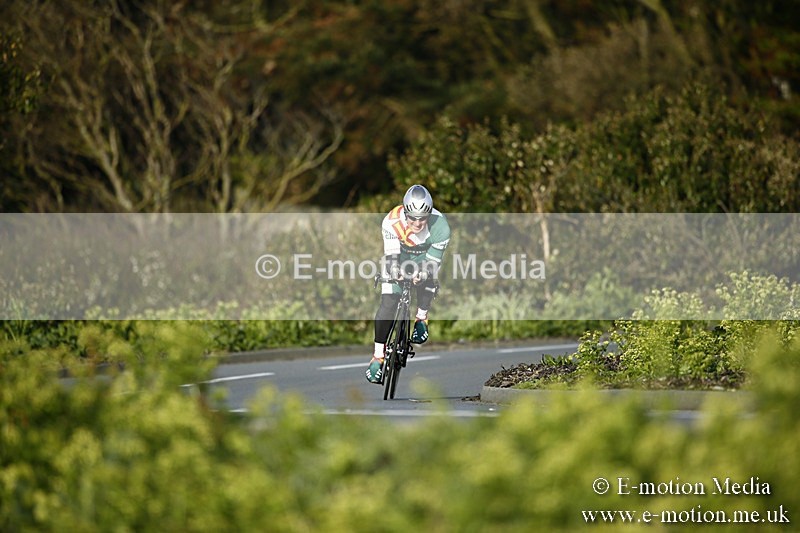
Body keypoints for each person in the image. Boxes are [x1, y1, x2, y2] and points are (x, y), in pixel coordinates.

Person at [366, 184, 451, 384]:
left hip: (425, 257)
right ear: (405, 212)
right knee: (388, 302)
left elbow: (432, 263)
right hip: (400, 256)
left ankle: (421, 318)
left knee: (428, 278)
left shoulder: (441, 227)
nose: (418, 222)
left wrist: (421, 274)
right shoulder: (391, 221)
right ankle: (378, 356)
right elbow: (392, 256)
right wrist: (395, 273)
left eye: (423, 217)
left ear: (429, 214)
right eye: (413, 217)